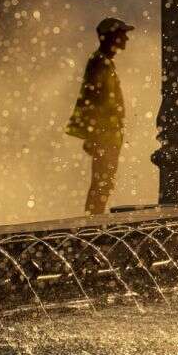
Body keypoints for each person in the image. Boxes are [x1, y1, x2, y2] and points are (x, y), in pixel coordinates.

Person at [66, 17, 134, 214]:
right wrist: (92, 135)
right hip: (104, 136)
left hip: (108, 135)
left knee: (104, 182)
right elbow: (91, 100)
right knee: (102, 183)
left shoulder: (104, 62)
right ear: (111, 37)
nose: (126, 39)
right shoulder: (99, 63)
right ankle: (93, 225)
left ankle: (94, 221)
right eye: (123, 34)